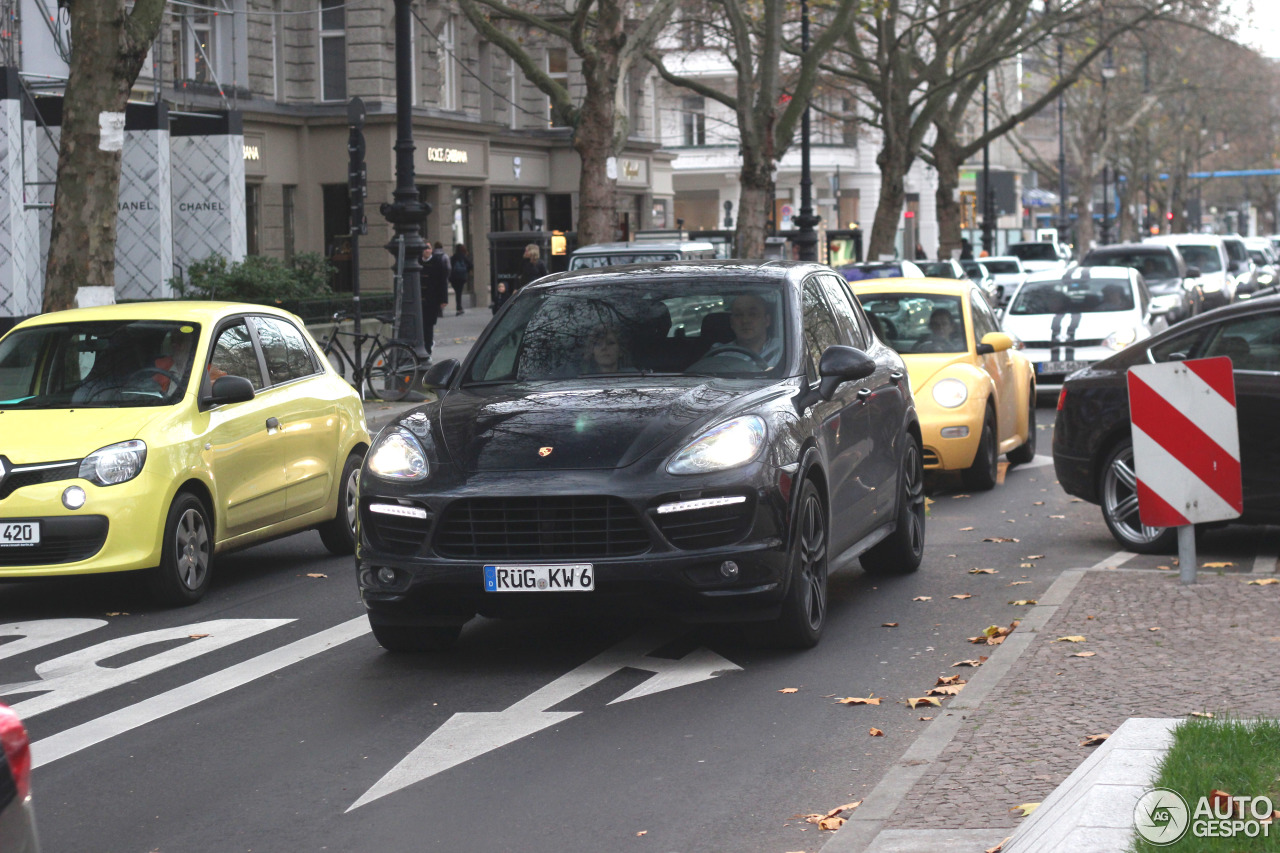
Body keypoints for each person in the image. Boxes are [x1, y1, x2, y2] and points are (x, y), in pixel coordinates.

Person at [704, 293, 782, 367]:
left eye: (752, 314)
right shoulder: (720, 354)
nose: (745, 320)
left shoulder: (784, 351)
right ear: (731, 322)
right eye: (738, 315)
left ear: (767, 320)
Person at [421, 241, 452, 356]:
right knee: (422, 325)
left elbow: (442, 282)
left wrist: (444, 299)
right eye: (424, 249)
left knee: (429, 325)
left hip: (432, 299)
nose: (426, 250)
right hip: (419, 301)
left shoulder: (437, 262)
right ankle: (425, 346)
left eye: (428, 248)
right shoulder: (418, 261)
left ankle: (428, 348)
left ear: (431, 250)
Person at [450, 243, 471, 316]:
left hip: (454, 277)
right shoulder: (464, 257)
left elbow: (450, 267)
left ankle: (459, 307)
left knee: (457, 292)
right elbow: (470, 265)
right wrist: (466, 271)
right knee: (459, 292)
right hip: (461, 277)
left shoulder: (453, 257)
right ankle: (459, 308)